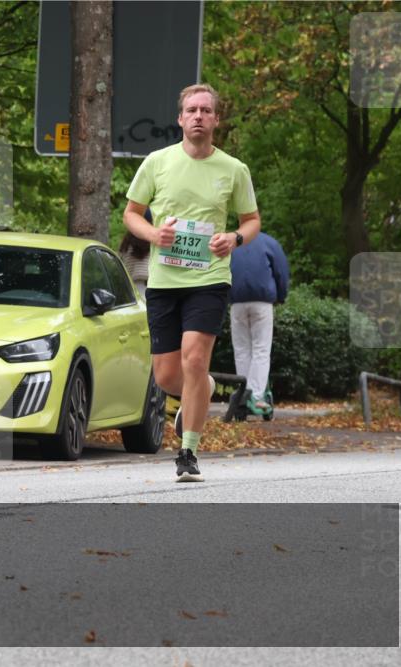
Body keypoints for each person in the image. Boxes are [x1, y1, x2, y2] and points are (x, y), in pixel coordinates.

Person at [123, 83, 261, 482]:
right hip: (164, 280)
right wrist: (154, 234)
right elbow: (131, 214)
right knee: (167, 376)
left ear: (216, 119)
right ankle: (203, 386)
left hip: (210, 278)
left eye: (205, 110)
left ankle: (188, 452)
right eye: (191, 110)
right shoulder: (157, 162)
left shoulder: (234, 169)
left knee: (195, 360)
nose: (198, 116)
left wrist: (234, 238)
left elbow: (251, 221)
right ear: (180, 119)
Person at [229, 232, 289, 414]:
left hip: (237, 302)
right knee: (261, 349)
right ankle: (256, 396)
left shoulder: (231, 243)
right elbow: (281, 272)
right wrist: (281, 296)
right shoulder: (269, 243)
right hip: (262, 302)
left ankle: (242, 393)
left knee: (241, 350)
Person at [118, 208, 153, 296]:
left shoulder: (126, 241)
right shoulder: (153, 240)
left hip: (131, 286)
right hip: (150, 285)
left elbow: (122, 262)